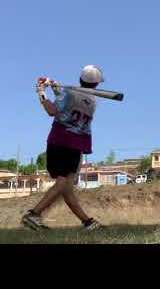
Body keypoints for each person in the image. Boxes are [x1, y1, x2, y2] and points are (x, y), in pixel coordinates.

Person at [21, 65, 104, 231]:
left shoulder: (70, 93)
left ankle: (86, 222)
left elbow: (53, 110)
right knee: (64, 184)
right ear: (96, 85)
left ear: (80, 79)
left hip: (60, 140)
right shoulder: (93, 102)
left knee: (65, 186)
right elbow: (65, 102)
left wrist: (41, 92)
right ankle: (34, 215)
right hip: (75, 145)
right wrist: (55, 86)